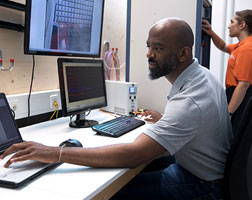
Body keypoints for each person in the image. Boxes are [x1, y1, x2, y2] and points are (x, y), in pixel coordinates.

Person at [0, 18, 232, 200]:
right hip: (205, 170)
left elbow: (133, 156)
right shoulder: (203, 77)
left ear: (183, 53)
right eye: (148, 46)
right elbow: (194, 121)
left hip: (202, 186)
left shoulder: (189, 100)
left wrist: (55, 153)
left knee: (111, 192)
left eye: (158, 48)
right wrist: (165, 120)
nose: (149, 54)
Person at [202, 9, 252, 134]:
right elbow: (223, 46)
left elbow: (243, 85)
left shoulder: (247, 48)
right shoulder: (239, 46)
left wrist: (229, 113)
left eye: (232, 22)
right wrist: (211, 32)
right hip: (234, 95)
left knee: (233, 136)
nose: (229, 26)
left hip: (240, 97)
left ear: (242, 25)